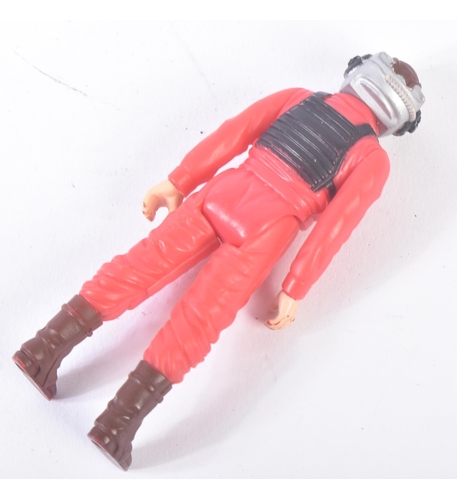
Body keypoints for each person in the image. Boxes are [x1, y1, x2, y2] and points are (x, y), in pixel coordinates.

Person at [13, 52, 425, 470]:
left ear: (356, 75)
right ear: (397, 119)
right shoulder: (372, 158)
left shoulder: (299, 97)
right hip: (270, 224)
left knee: (136, 268)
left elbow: (232, 135)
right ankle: (116, 426)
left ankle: (40, 350)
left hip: (224, 190)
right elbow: (336, 226)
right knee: (198, 321)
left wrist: (179, 180)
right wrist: (295, 286)